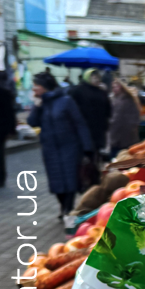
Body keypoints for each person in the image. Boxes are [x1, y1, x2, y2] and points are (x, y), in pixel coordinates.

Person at [28, 71, 94, 217]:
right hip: (50, 149)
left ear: (44, 87)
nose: (34, 89)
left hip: (70, 147)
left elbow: (79, 124)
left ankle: (68, 209)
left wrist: (87, 147)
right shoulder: (41, 103)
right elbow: (32, 122)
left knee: (70, 180)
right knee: (56, 182)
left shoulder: (66, 101)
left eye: (36, 85)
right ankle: (63, 206)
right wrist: (36, 106)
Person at [67, 68, 111, 158]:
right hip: (85, 126)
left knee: (98, 153)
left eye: (98, 77)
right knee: (87, 152)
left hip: (99, 128)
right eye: (93, 77)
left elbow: (108, 108)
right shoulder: (78, 90)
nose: (96, 80)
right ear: (87, 78)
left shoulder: (101, 91)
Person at [106, 78, 141, 159]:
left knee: (120, 160)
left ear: (121, 87)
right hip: (127, 138)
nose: (114, 89)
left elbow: (117, 120)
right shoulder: (117, 99)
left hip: (122, 138)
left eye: (116, 87)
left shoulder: (124, 101)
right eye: (113, 87)